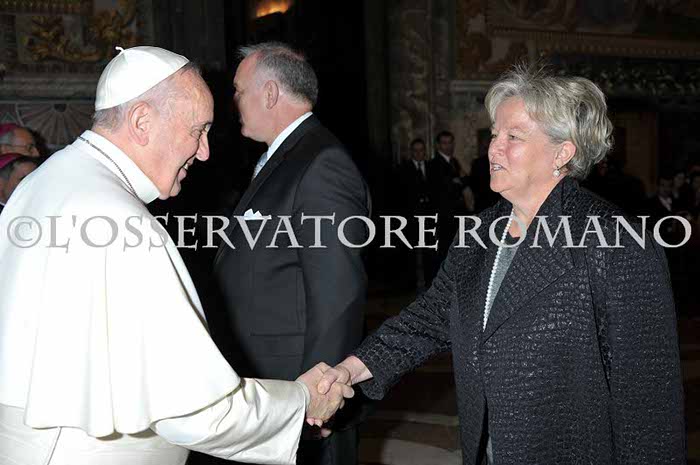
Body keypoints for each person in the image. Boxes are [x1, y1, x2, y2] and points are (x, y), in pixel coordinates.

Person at [0, 46, 353, 465]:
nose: (204, 152)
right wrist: (302, 400)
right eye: (197, 130)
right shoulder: (122, 222)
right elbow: (197, 412)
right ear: (142, 121)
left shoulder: (44, 181)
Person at [317, 65, 685, 464]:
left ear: (562, 153)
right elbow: (427, 319)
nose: (493, 149)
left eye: (514, 137)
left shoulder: (617, 242)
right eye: (494, 135)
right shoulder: (479, 233)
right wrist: (348, 371)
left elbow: (649, 408)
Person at [213, 42, 370, 465]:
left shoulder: (321, 162)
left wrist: (320, 393)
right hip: (271, 382)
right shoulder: (286, 156)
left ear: (269, 93)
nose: (234, 101)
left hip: (298, 385)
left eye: (238, 90)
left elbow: (337, 292)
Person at [397, 138, 438, 287]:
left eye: (421, 150)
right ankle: (410, 282)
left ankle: (429, 281)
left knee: (429, 249)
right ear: (411, 152)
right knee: (411, 250)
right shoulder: (403, 169)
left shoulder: (431, 167)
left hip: (429, 216)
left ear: (425, 151)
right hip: (411, 216)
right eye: (416, 151)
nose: (419, 153)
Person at [428, 130, 468, 263]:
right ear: (438, 145)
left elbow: (464, 180)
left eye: (450, 142)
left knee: (456, 249)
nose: (448, 146)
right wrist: (457, 181)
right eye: (444, 143)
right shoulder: (434, 164)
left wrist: (458, 181)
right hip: (444, 215)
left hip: (455, 213)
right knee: (444, 250)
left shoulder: (454, 161)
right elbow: (444, 189)